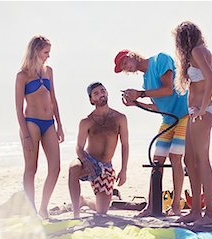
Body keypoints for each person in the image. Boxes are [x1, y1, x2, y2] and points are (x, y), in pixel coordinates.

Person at [114, 49, 188, 216]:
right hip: (168, 120)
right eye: (123, 67)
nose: (126, 67)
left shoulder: (160, 60)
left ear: (132, 55)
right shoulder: (146, 82)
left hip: (184, 115)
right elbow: (157, 107)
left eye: (125, 62)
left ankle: (176, 206)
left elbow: (168, 89)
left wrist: (140, 94)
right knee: (156, 161)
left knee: (175, 157)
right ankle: (151, 206)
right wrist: (137, 104)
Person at [173, 21, 212, 226]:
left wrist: (204, 106)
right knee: (189, 160)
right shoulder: (202, 53)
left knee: (202, 160)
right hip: (195, 113)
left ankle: (210, 214)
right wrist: (203, 88)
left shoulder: (198, 51)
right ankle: (196, 210)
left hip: (202, 114)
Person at [15, 35, 64, 219]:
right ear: (36, 51)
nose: (48, 56)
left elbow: (54, 100)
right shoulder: (22, 75)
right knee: (31, 168)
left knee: (55, 168)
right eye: (46, 52)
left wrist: (59, 125)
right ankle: (31, 210)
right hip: (31, 123)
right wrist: (26, 135)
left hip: (49, 123)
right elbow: (19, 109)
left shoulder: (48, 71)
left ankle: (43, 207)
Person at [68, 82, 129, 218]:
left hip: (106, 166)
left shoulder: (120, 118)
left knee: (102, 211)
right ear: (91, 99)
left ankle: (84, 201)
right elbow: (79, 147)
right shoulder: (86, 121)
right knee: (74, 167)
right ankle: (76, 212)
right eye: (96, 93)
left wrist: (123, 170)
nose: (101, 94)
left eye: (103, 91)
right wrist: (85, 160)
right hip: (89, 160)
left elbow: (125, 145)